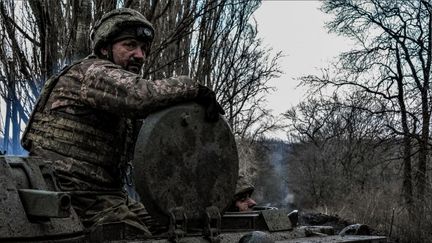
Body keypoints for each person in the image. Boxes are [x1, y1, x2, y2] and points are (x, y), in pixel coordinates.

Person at [21, 8, 223, 236]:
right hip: (72, 194)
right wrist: (194, 88)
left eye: (144, 49)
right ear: (105, 48)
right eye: (130, 45)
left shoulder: (115, 98)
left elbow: (163, 148)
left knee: (176, 225)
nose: (140, 55)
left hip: (107, 195)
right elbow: (141, 96)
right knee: (138, 237)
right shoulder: (93, 73)